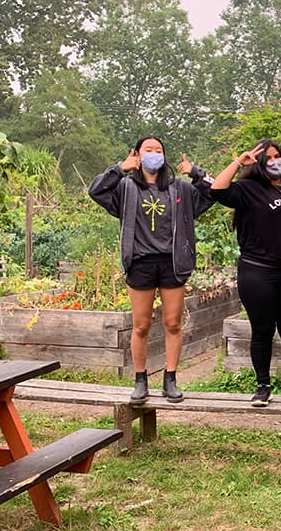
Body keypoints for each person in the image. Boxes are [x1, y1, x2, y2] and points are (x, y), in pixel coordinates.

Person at [89, 136, 215, 403]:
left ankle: (170, 379)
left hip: (172, 263)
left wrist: (196, 173)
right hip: (141, 263)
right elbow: (96, 190)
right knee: (141, 325)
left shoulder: (179, 189)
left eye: (159, 150)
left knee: (173, 323)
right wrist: (119, 168)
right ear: (137, 155)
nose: (154, 154)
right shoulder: (125, 189)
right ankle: (140, 380)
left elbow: (212, 192)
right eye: (148, 150)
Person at [206, 140, 281, 408]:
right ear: (260, 164)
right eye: (268, 158)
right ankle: (263, 386)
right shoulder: (249, 190)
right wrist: (240, 162)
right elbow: (217, 189)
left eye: (278, 156)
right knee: (262, 330)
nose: (275, 161)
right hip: (257, 272)